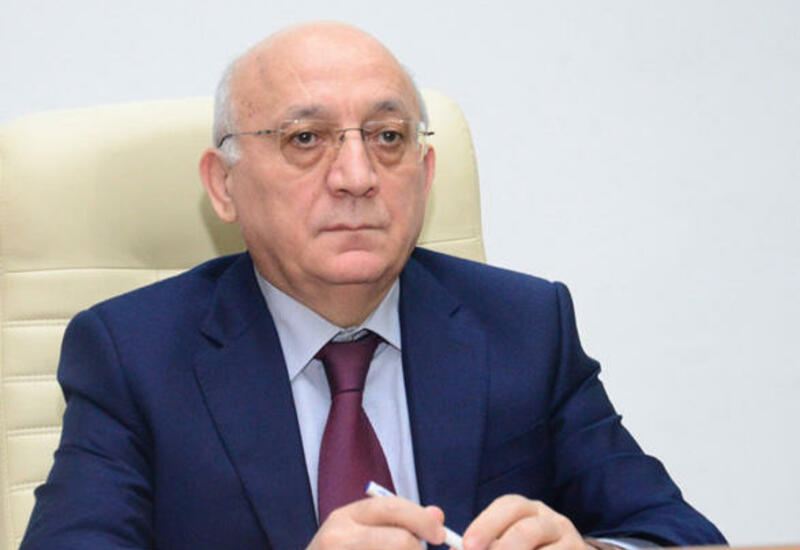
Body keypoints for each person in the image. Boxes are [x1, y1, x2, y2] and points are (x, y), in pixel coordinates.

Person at [21, 22, 725, 550]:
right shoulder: (132, 356)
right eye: (305, 139)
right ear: (223, 186)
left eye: (387, 138)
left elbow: (679, 535)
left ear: (425, 174)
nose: (356, 177)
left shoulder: (526, 326)